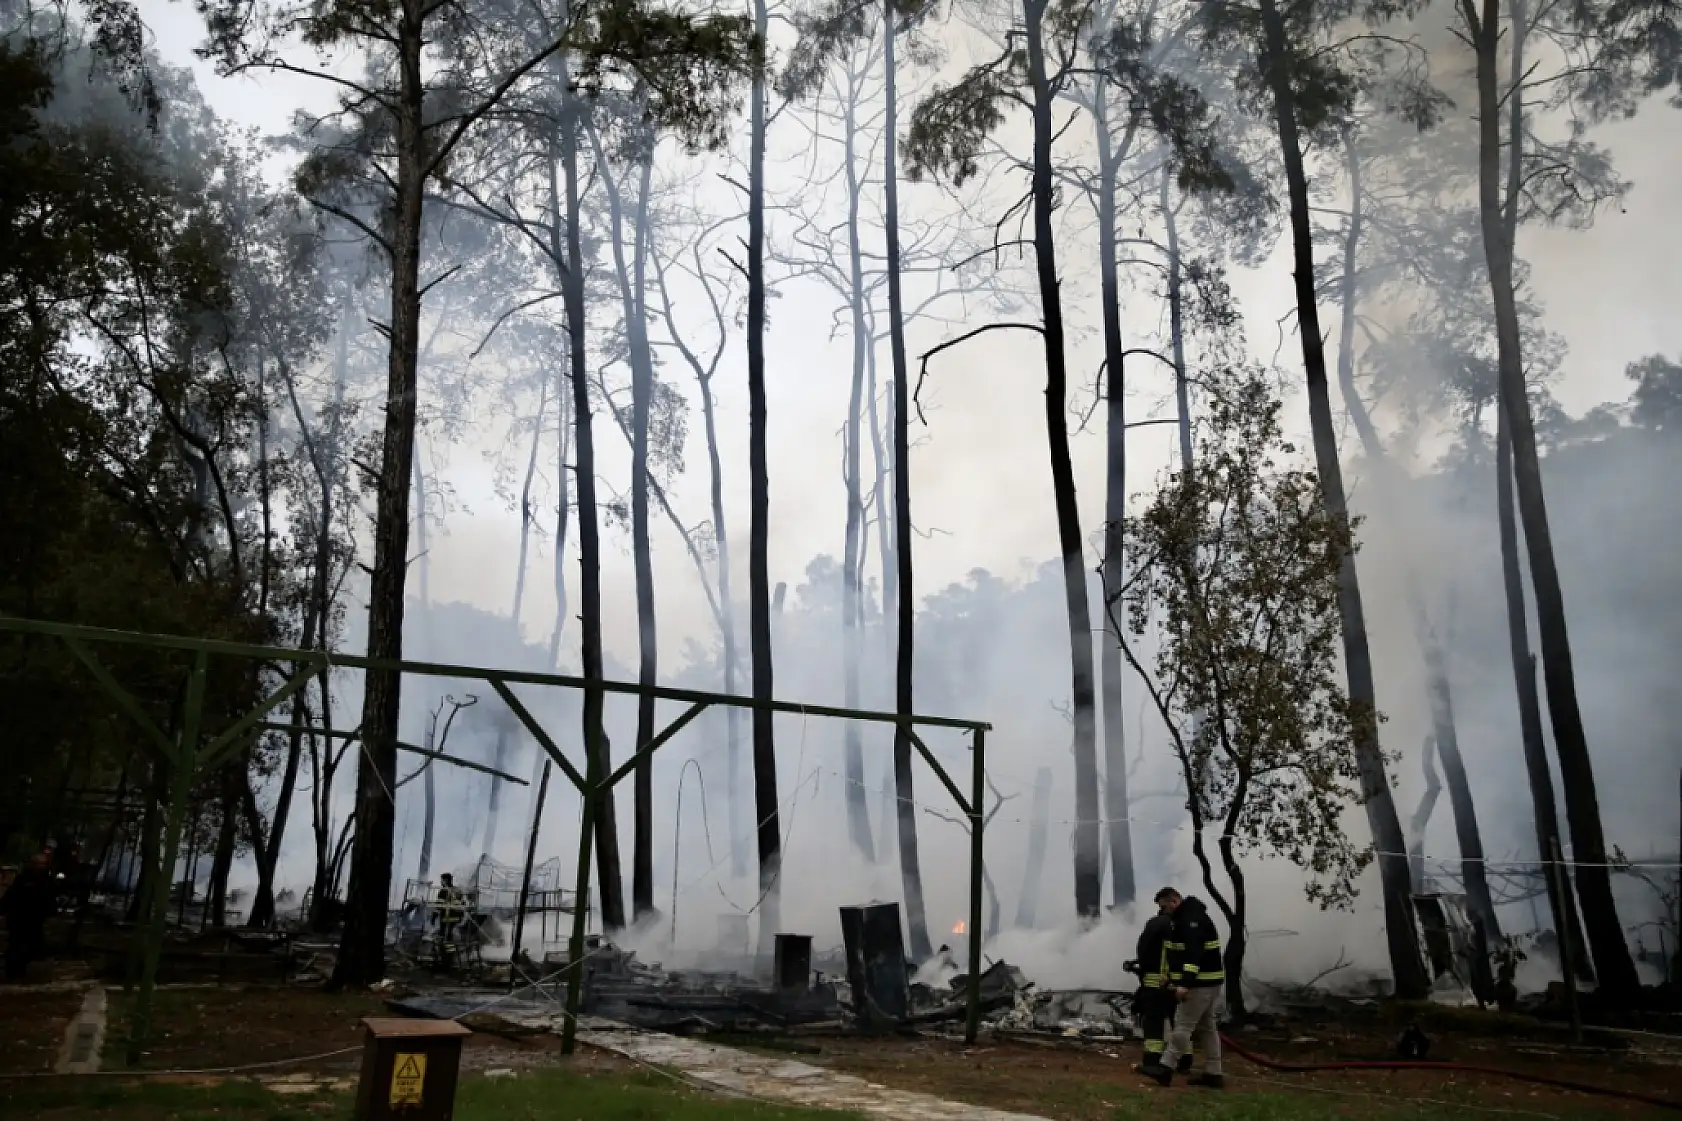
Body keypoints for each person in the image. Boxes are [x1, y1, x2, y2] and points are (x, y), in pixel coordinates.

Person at [1143, 886, 1225, 1089]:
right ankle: (1214, 1073)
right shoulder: (1186, 918)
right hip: (1209, 984)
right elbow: (1180, 955)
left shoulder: (1190, 921)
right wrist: (1171, 976)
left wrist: (1184, 984)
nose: (1163, 911)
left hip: (1199, 985)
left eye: (1165, 906)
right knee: (1207, 1028)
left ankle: (1165, 1068)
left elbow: (1193, 957)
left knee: (1182, 1026)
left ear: (1175, 901)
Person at [1129, 895, 1193, 1076]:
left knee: (1154, 1024)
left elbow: (1145, 951)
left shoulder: (1156, 924)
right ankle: (1185, 1061)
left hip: (1157, 983)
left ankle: (1152, 1061)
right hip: (1179, 984)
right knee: (1180, 1023)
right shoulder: (1186, 924)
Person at [2, 853, 54, 982]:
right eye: (37, 864)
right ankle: (13, 972)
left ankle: (20, 969)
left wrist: (50, 914)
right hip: (19, 919)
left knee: (32, 947)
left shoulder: (45, 881)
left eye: (41, 864)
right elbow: (11, 895)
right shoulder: (23, 879)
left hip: (35, 920)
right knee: (15, 946)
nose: (39, 867)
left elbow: (49, 899)